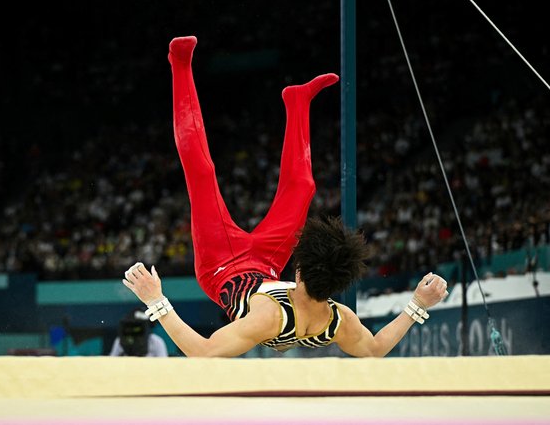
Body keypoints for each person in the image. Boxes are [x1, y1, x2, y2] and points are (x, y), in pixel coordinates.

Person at [122, 35, 449, 358]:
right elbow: (375, 349)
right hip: (266, 262)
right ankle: (297, 102)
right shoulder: (339, 320)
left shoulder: (267, 317)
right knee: (304, 188)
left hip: (221, 265)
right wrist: (417, 304)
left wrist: (156, 300)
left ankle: (179, 65)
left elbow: (204, 352)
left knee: (202, 172)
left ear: (299, 271)